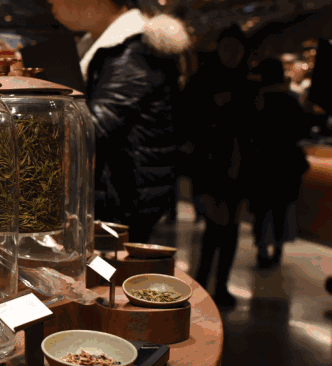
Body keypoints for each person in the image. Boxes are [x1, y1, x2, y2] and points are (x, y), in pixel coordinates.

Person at [47, 0, 190, 244]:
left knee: (113, 264)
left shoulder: (131, 51)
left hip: (122, 197)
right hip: (117, 192)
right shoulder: (110, 47)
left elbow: (92, 128)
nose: (52, 2)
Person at [188, 26, 255, 307]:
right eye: (227, 48)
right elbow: (188, 121)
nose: (232, 54)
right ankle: (203, 282)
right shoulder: (202, 81)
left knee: (230, 230)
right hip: (210, 167)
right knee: (215, 227)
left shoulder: (248, 83)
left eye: (237, 49)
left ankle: (221, 286)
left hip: (239, 168)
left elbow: (254, 130)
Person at [248, 58, 310, 268]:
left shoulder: (257, 100)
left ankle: (261, 249)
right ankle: (278, 250)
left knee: (261, 210)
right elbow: (302, 130)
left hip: (261, 163)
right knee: (281, 210)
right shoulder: (291, 99)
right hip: (286, 164)